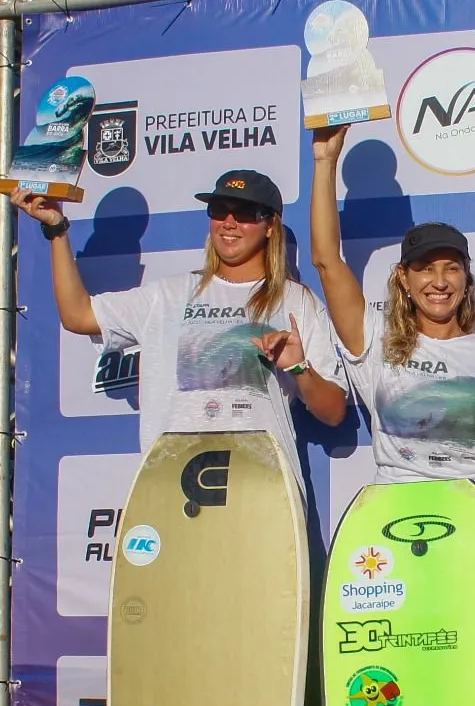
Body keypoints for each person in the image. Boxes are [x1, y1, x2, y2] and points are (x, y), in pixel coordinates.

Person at [11, 169, 349, 485]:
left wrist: (299, 367)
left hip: (261, 487)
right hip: (171, 485)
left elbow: (333, 412)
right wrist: (56, 229)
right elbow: (78, 316)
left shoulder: (294, 301)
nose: (229, 223)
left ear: (270, 225)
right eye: (218, 210)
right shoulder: (168, 295)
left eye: (244, 213)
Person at [310, 125, 475, 532]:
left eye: (451, 268)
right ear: (404, 279)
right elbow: (327, 262)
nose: (440, 281)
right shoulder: (375, 338)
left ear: (466, 278)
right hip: (396, 509)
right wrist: (325, 162)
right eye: (425, 269)